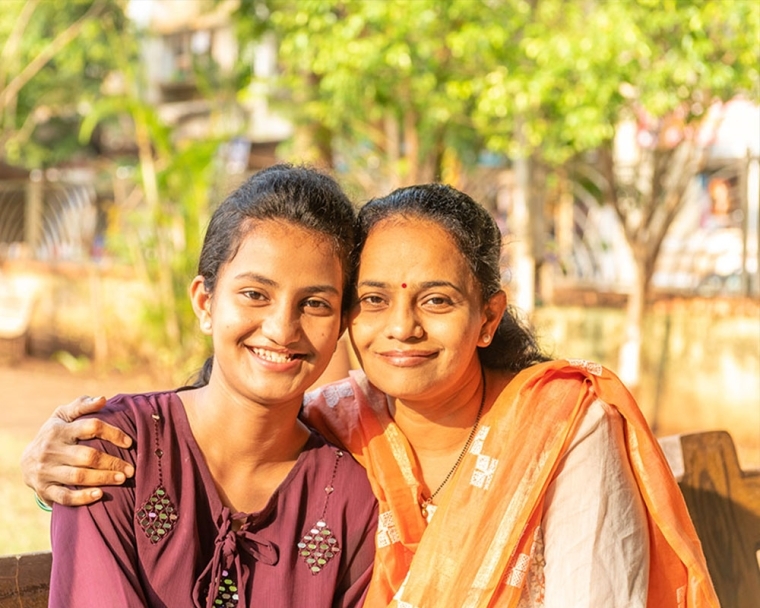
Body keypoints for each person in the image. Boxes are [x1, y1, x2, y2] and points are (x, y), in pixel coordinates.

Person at [23, 183, 718, 607]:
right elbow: (212, 422)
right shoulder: (338, 430)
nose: (402, 328)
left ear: (488, 317)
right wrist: (46, 466)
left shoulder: (561, 428)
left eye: (438, 300)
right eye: (374, 298)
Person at [42, 164, 378, 608]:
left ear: (339, 326)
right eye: (255, 294)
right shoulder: (113, 447)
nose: (281, 329)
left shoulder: (351, 498)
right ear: (205, 303)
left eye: (314, 303)